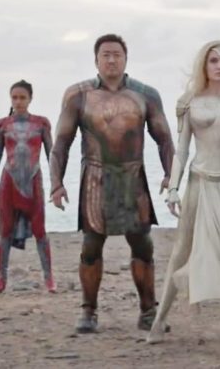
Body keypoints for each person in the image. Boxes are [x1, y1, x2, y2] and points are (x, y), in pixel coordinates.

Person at [50, 34, 175, 333]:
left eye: (117, 54)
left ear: (125, 59)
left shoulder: (146, 94)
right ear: (96, 60)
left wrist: (171, 176)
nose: (111, 60)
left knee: (142, 244)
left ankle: (148, 311)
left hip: (133, 178)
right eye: (105, 54)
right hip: (95, 178)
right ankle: (88, 311)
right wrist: (56, 183)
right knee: (91, 246)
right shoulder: (78, 95)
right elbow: (61, 143)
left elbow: (165, 139)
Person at [146, 40, 220, 344]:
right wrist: (173, 187)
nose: (219, 65)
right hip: (199, 181)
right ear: (205, 64)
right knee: (181, 250)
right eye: (214, 60)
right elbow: (182, 149)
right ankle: (160, 320)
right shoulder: (190, 102)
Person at [0, 80, 56, 293]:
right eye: (14, 97)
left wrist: (57, 183)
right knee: (5, 230)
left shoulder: (41, 123)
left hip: (33, 181)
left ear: (30, 99)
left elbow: (51, 154)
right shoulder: (3, 125)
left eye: (22, 97)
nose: (18, 101)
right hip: (9, 182)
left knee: (40, 230)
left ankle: (49, 278)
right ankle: (1, 279)